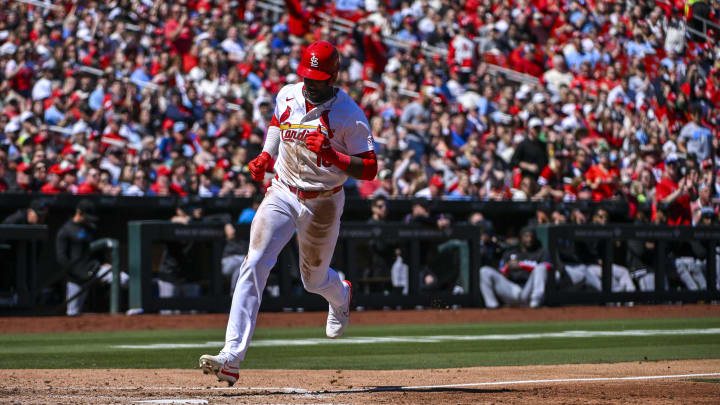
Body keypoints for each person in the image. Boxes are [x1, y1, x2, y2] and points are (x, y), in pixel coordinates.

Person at [199, 41, 378, 385]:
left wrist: (333, 156)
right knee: (254, 261)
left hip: (323, 200)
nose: (311, 84)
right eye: (307, 76)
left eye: (319, 78)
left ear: (334, 76)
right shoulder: (288, 95)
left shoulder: (348, 114)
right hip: (282, 190)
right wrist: (267, 156)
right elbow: (276, 126)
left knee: (313, 280)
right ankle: (231, 356)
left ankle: (340, 294)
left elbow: (369, 169)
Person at [55, 200, 127, 316]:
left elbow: (98, 250)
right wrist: (74, 273)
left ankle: (124, 310)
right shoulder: (65, 230)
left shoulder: (91, 228)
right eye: (87, 216)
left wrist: (104, 262)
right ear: (79, 212)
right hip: (76, 276)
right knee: (72, 313)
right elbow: (62, 258)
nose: (89, 219)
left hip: (94, 268)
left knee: (123, 279)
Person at [479, 227, 550, 309]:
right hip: (512, 289)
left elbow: (547, 266)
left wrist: (521, 265)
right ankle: (492, 306)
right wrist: (507, 267)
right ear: (520, 238)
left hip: (528, 289)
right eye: (526, 236)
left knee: (540, 268)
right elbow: (501, 271)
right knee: (484, 271)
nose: (529, 239)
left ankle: (535, 304)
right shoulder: (510, 252)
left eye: (532, 236)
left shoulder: (540, 252)